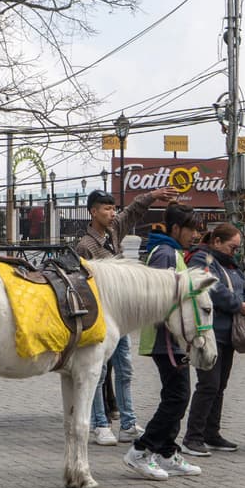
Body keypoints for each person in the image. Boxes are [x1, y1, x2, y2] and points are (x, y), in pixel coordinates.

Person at [73, 186, 175, 447]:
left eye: (112, 208)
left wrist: (152, 196)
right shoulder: (85, 246)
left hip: (120, 318)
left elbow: (133, 211)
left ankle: (128, 423)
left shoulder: (113, 231)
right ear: (93, 212)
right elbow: (81, 283)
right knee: (100, 371)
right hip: (99, 318)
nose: (112, 213)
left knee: (125, 369)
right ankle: (100, 424)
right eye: (106, 209)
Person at [123, 202, 204, 481]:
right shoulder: (165, 254)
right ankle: (140, 450)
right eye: (191, 229)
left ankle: (167, 452)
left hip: (175, 337)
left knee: (179, 395)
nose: (194, 234)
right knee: (177, 397)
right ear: (176, 228)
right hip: (166, 338)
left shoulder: (171, 252)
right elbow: (158, 296)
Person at [182, 223, 245, 457]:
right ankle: (192, 437)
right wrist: (240, 306)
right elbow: (213, 289)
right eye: (232, 247)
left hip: (227, 334)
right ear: (216, 242)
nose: (234, 252)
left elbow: (242, 288)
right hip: (208, 332)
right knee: (208, 385)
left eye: (237, 248)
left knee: (219, 386)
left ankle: (211, 433)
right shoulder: (201, 260)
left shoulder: (229, 264)